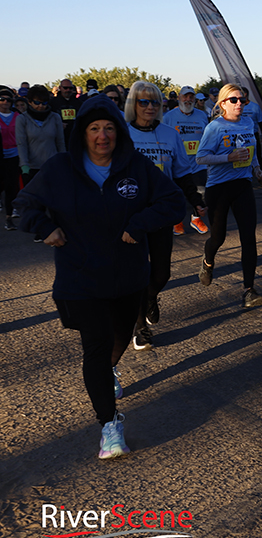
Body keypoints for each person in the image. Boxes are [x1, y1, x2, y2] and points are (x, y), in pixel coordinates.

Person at [13, 95, 184, 459]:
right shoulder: (60, 168)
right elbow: (23, 207)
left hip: (127, 278)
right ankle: (109, 424)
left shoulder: (135, 166)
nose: (102, 136)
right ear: (83, 133)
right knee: (95, 345)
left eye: (109, 128)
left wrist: (139, 223)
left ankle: (109, 375)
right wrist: (45, 227)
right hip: (80, 278)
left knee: (117, 340)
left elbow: (172, 201)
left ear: (118, 132)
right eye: (94, 129)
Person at [124, 81, 206, 350]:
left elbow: (181, 172)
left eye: (155, 102)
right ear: (132, 104)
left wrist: (194, 199)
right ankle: (140, 329)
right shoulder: (122, 134)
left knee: (161, 273)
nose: (150, 107)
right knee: (135, 272)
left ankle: (150, 296)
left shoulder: (170, 135)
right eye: (143, 102)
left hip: (161, 211)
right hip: (130, 212)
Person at [195, 84, 262, 308]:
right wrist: (229, 157)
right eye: (234, 100)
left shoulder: (248, 122)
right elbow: (201, 158)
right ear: (223, 103)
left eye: (242, 100)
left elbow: (251, 149)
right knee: (219, 238)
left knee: (249, 238)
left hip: (243, 184)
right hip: (219, 187)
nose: (239, 104)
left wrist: (256, 168)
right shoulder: (214, 127)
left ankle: (249, 290)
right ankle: (208, 262)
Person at [16, 85, 65, 241]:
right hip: (32, 166)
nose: (41, 106)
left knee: (57, 201)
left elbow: (60, 142)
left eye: (44, 103)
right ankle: (41, 230)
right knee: (37, 203)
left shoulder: (55, 117)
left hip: (53, 165)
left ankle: (61, 229)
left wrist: (64, 161)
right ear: (29, 102)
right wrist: (24, 165)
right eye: (37, 102)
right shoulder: (22, 119)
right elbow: (21, 144)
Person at [163, 85, 210, 235]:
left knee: (201, 192)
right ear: (179, 98)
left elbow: (207, 137)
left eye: (191, 97)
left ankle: (196, 218)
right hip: (177, 164)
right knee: (177, 194)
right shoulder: (169, 116)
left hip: (197, 163)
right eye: (185, 96)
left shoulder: (202, 115)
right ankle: (177, 221)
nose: (188, 100)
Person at [1, 89, 21, 231]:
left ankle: (9, 218)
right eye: (2, 99)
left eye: (8, 99)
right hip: (0, 156)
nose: (5, 102)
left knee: (11, 187)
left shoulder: (17, 116)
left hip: (14, 154)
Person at [51, 78, 83, 146]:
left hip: (75, 136)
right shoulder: (53, 103)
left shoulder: (78, 103)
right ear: (60, 88)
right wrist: (58, 124)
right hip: (58, 137)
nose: (68, 90)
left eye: (70, 88)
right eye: (65, 88)